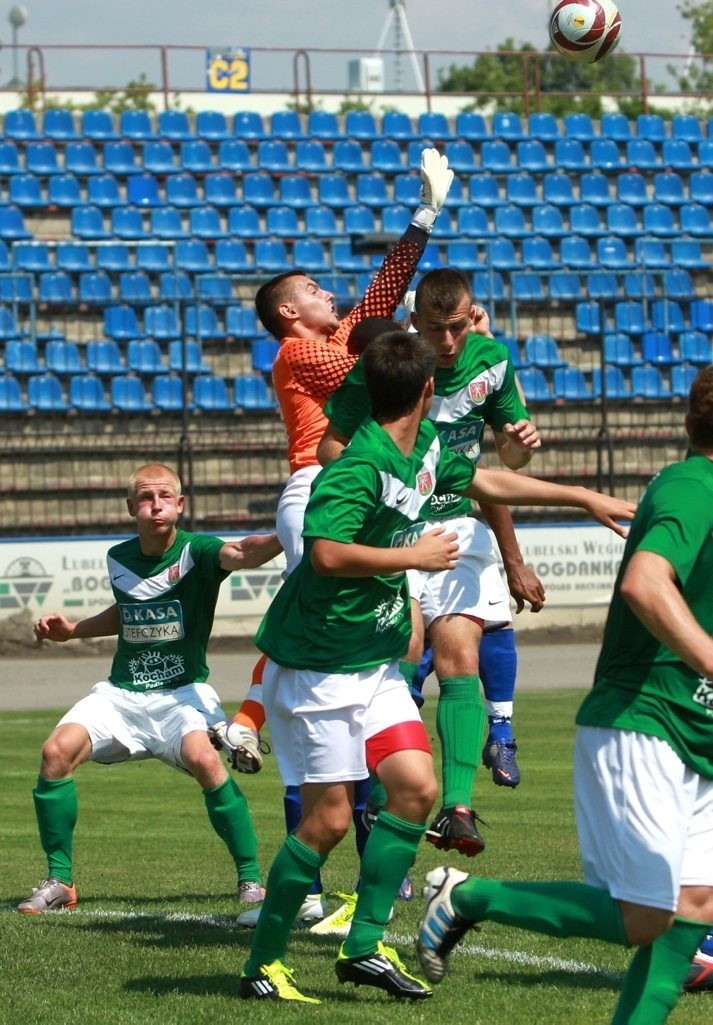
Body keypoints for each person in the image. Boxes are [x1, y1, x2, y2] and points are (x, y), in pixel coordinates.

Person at [238, 330, 635, 1003]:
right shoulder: (358, 464)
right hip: (316, 667)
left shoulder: (421, 447)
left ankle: (363, 944)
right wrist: (410, 560)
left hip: (370, 663)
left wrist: (579, 495)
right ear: (426, 390)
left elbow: (483, 479)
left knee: (416, 790)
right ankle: (262, 963)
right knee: (329, 821)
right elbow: (327, 551)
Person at [417, 364, 713, 1025]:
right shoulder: (694, 487)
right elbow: (644, 582)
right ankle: (468, 900)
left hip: (697, 731)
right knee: (645, 919)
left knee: (690, 913)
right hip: (646, 722)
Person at [227, 147, 455, 929]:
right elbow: (373, 347)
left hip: (350, 492)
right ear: (290, 312)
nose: (331, 294)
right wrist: (421, 352)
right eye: (316, 290)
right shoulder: (299, 349)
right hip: (314, 490)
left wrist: (424, 215)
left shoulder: (337, 337)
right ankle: (252, 716)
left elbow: (381, 300)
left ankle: (342, 843)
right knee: (318, 630)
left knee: (367, 649)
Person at [318, 268, 545, 856]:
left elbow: (507, 466)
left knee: (460, 654)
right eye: (435, 329)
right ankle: (382, 800)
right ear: (413, 320)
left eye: (457, 328)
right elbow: (330, 444)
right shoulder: (391, 365)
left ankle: (459, 808)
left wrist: (519, 445)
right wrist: (378, 484)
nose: (447, 344)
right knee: (406, 650)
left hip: (456, 523)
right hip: (394, 523)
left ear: (472, 318)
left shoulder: (492, 361)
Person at [17, 463, 282, 914]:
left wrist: (289, 530)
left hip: (182, 693)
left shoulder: (197, 551)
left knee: (205, 759)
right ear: (131, 507)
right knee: (54, 753)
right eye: (144, 497)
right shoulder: (119, 557)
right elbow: (128, 610)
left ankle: (251, 881)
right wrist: (73, 631)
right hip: (121, 695)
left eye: (164, 496)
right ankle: (60, 881)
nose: (154, 504)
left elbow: (243, 551)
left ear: (180, 505)